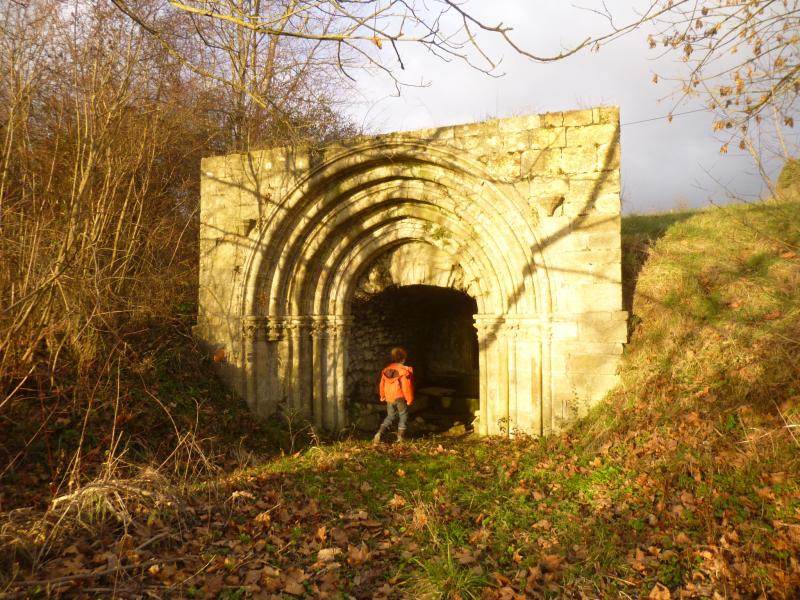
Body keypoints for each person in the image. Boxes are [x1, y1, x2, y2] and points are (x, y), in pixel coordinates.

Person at [373, 346, 414, 443]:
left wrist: (382, 396)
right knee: (403, 416)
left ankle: (379, 433)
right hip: (400, 397)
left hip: (389, 398)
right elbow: (406, 387)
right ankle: (400, 438)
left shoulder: (386, 370)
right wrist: (409, 399)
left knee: (390, 416)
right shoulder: (403, 372)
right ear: (403, 359)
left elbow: (381, 385)